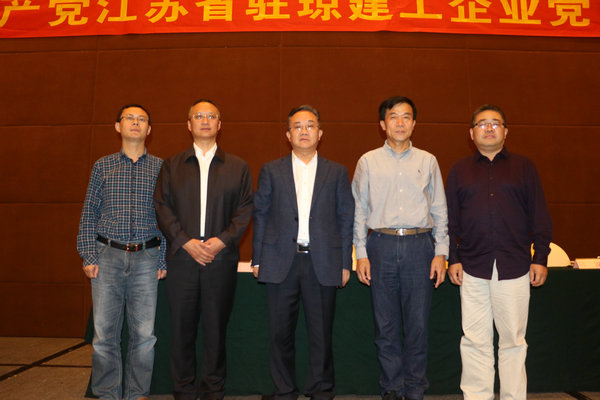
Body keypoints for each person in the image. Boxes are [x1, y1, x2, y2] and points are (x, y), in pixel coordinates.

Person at [445, 104, 552, 400]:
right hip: (472, 267)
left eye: (496, 123)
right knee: (474, 341)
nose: (489, 128)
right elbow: (450, 220)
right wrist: (453, 258)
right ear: (471, 133)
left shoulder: (524, 167)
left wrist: (540, 258)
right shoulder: (459, 170)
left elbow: (540, 215)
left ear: (506, 131)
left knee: (513, 341)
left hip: (514, 266)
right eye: (482, 123)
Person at [251, 105, 354, 400]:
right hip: (280, 261)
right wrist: (258, 258)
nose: (304, 131)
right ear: (288, 135)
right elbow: (261, 215)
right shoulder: (272, 170)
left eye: (310, 125)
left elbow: (346, 217)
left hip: (323, 262)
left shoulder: (336, 171)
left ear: (320, 133)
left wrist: (345, 262)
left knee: (321, 333)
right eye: (297, 126)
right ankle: (284, 390)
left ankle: (320, 390)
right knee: (280, 333)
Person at [153, 99, 253, 400]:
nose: (205, 121)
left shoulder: (238, 166)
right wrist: (186, 242)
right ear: (189, 124)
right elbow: (162, 207)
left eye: (211, 116)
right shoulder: (171, 165)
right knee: (181, 329)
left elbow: (244, 210)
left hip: (221, 260)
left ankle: (213, 390)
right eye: (199, 116)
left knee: (215, 329)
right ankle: (183, 390)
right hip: (182, 259)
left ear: (220, 124)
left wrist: (221, 241)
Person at [352, 96, 448, 400]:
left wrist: (441, 252)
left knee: (418, 325)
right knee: (386, 326)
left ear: (414, 123)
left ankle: (416, 388)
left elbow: (440, 209)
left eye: (406, 117)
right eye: (394, 117)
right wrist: (361, 253)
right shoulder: (368, 161)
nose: (400, 123)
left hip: (420, 247)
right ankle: (392, 388)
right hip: (380, 245)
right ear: (383, 124)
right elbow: (359, 211)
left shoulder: (428, 161)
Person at [77, 104, 167, 400]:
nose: (135, 123)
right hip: (107, 256)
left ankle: (137, 394)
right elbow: (89, 212)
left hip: (147, 258)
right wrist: (89, 254)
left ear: (149, 129)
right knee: (105, 335)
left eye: (142, 119)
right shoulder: (102, 166)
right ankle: (107, 394)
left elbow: (168, 217)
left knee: (144, 336)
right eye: (130, 118)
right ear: (118, 126)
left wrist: (163, 257)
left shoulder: (161, 168)